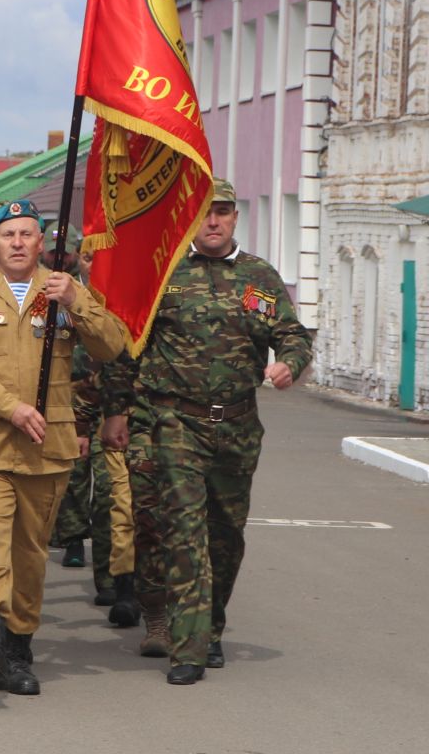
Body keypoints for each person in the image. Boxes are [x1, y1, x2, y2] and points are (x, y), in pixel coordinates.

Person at [105, 179, 312, 685]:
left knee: (225, 535)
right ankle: (189, 648)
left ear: (236, 217)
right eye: (202, 213)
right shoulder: (165, 273)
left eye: (221, 212)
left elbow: (291, 333)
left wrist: (289, 363)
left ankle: (210, 628)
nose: (212, 222)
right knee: (184, 530)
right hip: (174, 421)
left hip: (237, 425)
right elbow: (126, 344)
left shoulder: (257, 278)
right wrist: (117, 410)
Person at [0, 199, 127, 696]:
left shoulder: (66, 291)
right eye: (8, 235)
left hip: (48, 446)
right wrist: (11, 407)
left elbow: (113, 346)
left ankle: (19, 646)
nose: (18, 243)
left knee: (29, 552)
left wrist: (78, 303)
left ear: (42, 243)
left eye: (26, 234)